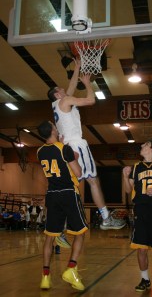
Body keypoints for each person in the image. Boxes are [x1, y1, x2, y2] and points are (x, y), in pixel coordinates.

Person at [47, 58, 125, 231]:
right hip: (76, 145)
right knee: (93, 181)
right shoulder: (65, 101)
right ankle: (105, 218)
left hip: (66, 148)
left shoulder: (57, 104)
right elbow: (90, 101)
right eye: (61, 89)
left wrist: (77, 68)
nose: (64, 89)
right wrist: (88, 84)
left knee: (72, 185)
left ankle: (60, 224)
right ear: (58, 95)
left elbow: (71, 87)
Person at [37, 120, 88, 291]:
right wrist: (73, 156)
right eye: (53, 125)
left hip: (52, 195)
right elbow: (78, 173)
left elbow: (57, 158)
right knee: (80, 233)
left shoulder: (39, 151)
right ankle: (71, 269)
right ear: (53, 130)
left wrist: (66, 150)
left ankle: (45, 277)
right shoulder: (64, 148)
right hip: (68, 193)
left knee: (49, 237)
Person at [123, 140, 152, 292]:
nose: (142, 146)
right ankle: (145, 279)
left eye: (145, 144)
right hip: (140, 210)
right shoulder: (136, 167)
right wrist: (125, 176)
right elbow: (128, 191)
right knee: (141, 248)